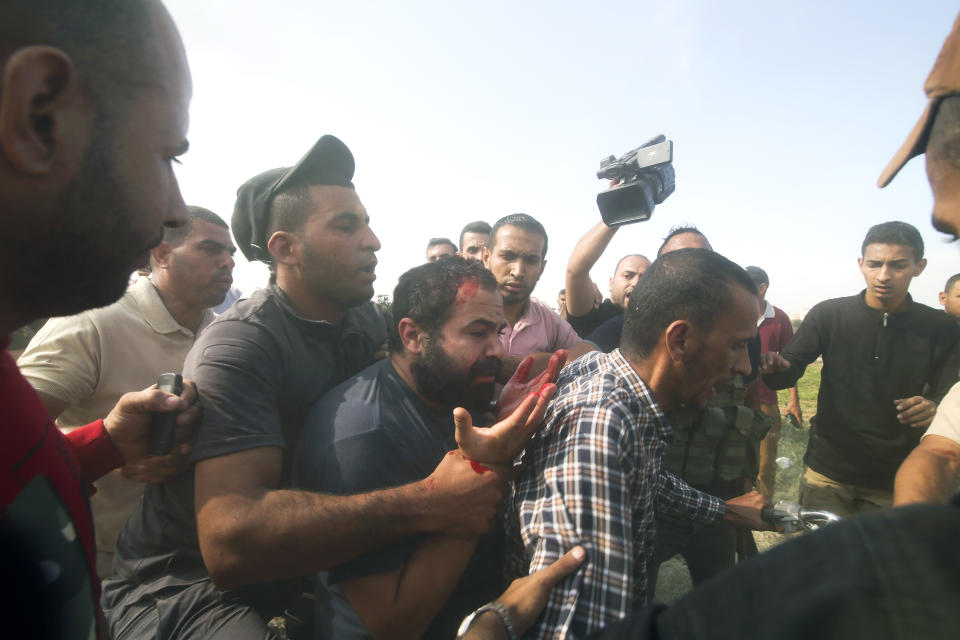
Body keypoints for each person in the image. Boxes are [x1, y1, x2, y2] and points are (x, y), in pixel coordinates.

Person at [103, 136, 545, 640]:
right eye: (346, 225)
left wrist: (553, 365)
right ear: (285, 248)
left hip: (296, 571)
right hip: (183, 587)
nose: (373, 240)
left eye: (367, 221)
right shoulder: (239, 347)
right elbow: (229, 544)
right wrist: (431, 502)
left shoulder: (359, 317)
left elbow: (446, 350)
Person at [0, 1, 203, 637]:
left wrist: (101, 445)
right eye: (168, 154)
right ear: (39, 115)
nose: (174, 208)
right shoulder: (85, 330)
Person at [294, 257, 566, 640]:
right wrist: (483, 470)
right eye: (477, 333)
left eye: (498, 332)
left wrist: (496, 420)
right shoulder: (363, 436)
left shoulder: (450, 392)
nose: (497, 350)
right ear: (412, 336)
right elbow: (392, 624)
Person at [510, 248, 769, 640]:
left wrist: (724, 510)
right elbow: (581, 627)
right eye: (737, 345)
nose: (745, 367)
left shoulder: (612, 377)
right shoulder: (599, 427)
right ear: (679, 340)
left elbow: (645, 474)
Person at [16, 206, 234, 577]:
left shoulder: (225, 337)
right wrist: (105, 448)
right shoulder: (93, 322)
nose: (228, 263)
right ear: (161, 255)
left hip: (188, 565)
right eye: (211, 249)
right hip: (92, 568)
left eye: (231, 253)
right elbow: (12, 435)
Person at [762, 221, 960, 518]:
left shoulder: (941, 328)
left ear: (919, 267)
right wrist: (778, 365)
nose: (883, 275)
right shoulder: (829, 315)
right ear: (860, 264)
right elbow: (790, 369)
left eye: (897, 266)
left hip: (898, 477)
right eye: (875, 264)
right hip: (828, 473)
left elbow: (951, 396)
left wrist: (933, 408)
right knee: (826, 560)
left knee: (884, 563)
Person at [483, 213, 580, 357]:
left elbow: (584, 353)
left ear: (541, 268)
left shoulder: (546, 317)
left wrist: (545, 362)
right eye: (508, 257)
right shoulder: (460, 311)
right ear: (486, 258)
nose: (518, 271)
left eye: (531, 260)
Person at [744, 265, 801, 500]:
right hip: (738, 399)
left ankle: (765, 506)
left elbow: (789, 366)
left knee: (766, 461)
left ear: (762, 288)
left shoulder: (780, 319)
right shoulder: (735, 315)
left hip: (767, 400)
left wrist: (793, 400)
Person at [565, 221, 651, 337]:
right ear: (611, 283)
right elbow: (576, 271)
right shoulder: (593, 313)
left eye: (645, 278)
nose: (636, 283)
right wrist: (616, 218)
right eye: (628, 276)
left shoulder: (655, 324)